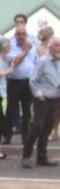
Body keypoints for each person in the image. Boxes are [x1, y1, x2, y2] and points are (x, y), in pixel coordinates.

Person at [21, 36, 60, 168]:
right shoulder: (43, 61)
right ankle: (26, 156)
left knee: (47, 128)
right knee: (37, 127)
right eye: (57, 45)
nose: (59, 48)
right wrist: (39, 94)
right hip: (42, 99)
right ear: (50, 47)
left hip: (55, 99)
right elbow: (33, 80)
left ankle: (42, 158)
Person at [3, 25, 37, 145]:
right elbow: (15, 62)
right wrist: (25, 50)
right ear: (15, 35)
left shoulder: (33, 47)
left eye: (24, 34)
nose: (21, 36)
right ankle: (7, 136)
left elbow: (36, 63)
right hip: (14, 81)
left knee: (27, 111)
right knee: (11, 109)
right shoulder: (11, 47)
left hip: (28, 82)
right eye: (19, 34)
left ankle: (25, 137)